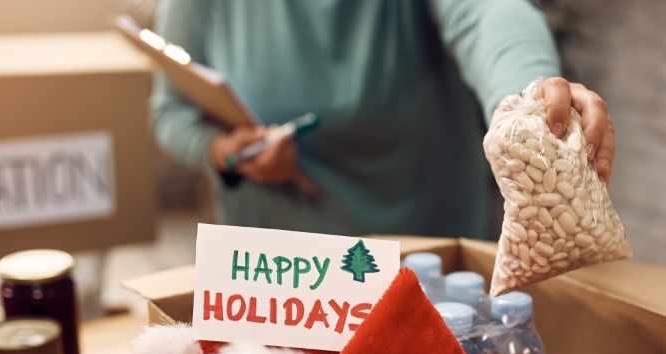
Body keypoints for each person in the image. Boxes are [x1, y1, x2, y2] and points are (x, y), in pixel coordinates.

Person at [151, 0, 615, 240]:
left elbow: (489, 13)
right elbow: (170, 111)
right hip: (277, 277)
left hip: (421, 258)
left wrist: (533, 95)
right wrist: (227, 153)